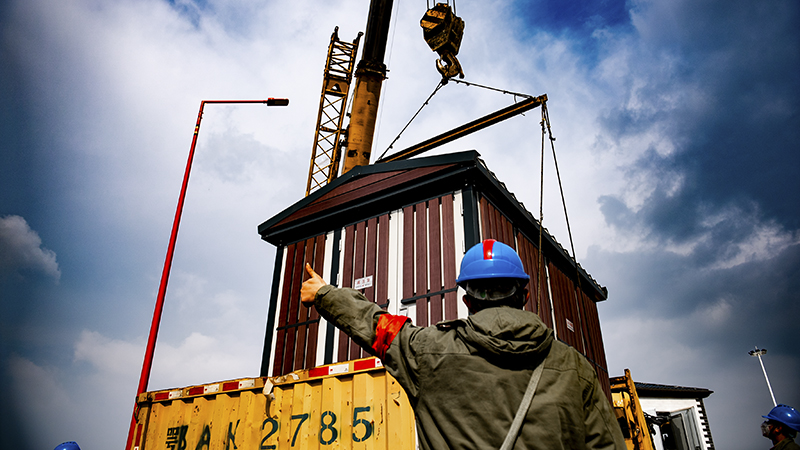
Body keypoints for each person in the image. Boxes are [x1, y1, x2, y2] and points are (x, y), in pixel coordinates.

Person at [301, 239, 625, 449]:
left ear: (467, 301)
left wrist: (324, 294)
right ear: (525, 295)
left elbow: (377, 325)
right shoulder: (575, 367)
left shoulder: (425, 352)